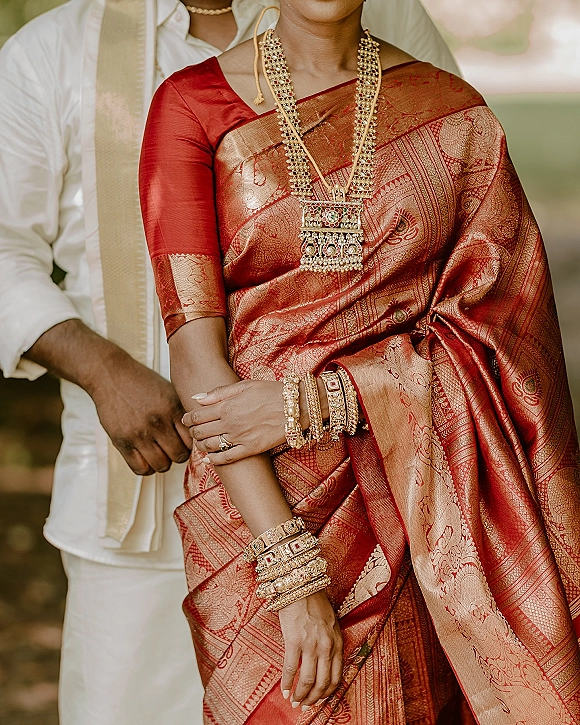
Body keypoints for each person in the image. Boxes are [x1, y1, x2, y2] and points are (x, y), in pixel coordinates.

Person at [0, 0, 457, 723]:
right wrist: (100, 368)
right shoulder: (51, 52)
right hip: (139, 509)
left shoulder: (372, 15)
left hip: (354, 497)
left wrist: (345, 397)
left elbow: (446, 204)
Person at [139, 0, 580, 722]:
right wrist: (290, 571)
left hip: (430, 499)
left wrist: (313, 402)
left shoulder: (452, 113)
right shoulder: (191, 106)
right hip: (262, 504)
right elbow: (196, 353)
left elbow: (507, 336)